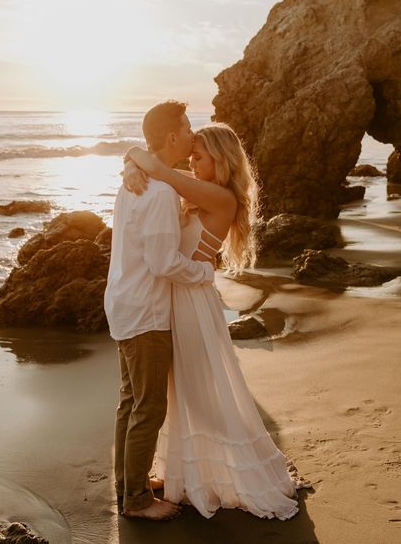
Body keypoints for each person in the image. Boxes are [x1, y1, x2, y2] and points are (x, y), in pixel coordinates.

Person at [123, 121, 309, 519]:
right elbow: (160, 171)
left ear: (220, 160)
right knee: (181, 394)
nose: (193, 161)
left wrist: (138, 163)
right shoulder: (197, 186)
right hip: (173, 298)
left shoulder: (221, 197)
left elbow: (162, 171)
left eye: (200, 156)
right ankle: (189, 472)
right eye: (192, 155)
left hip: (191, 303)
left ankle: (231, 470)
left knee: (202, 393)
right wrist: (133, 165)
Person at [104, 100, 216, 521]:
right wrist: (204, 271)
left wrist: (135, 156)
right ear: (172, 137)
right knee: (149, 406)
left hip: (123, 303)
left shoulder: (135, 181)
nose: (192, 135)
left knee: (131, 401)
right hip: (145, 311)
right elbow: (164, 263)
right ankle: (135, 500)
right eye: (187, 129)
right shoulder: (160, 191)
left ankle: (127, 483)